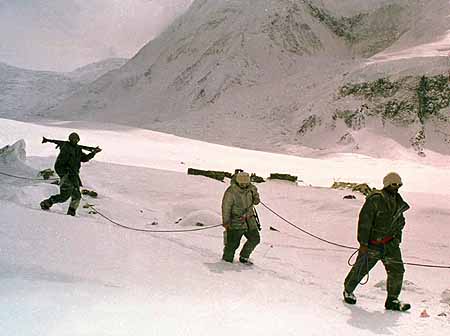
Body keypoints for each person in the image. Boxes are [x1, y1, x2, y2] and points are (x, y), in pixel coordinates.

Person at [343, 172, 411, 311]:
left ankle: (392, 300)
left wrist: (397, 239)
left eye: (399, 185)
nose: (397, 187)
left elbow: (400, 222)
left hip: (390, 244)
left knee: (397, 271)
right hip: (373, 244)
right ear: (386, 184)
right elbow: (365, 222)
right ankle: (348, 290)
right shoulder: (375, 199)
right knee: (361, 268)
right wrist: (363, 243)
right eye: (394, 184)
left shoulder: (398, 201)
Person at [40, 132, 101, 216]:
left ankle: (71, 213)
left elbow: (84, 158)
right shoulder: (66, 149)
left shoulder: (78, 149)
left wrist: (93, 153)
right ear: (70, 139)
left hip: (74, 176)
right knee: (64, 197)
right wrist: (64, 175)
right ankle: (46, 203)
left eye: (76, 139)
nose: (75, 140)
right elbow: (58, 165)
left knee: (77, 196)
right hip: (66, 176)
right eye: (73, 139)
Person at [221, 171, 261, 265]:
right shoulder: (231, 192)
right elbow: (226, 207)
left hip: (250, 220)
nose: (244, 185)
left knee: (255, 239)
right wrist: (226, 221)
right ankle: (226, 261)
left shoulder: (252, 188)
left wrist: (256, 199)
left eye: (246, 184)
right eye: (242, 184)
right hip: (235, 220)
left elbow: (256, 200)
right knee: (233, 243)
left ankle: (244, 257)